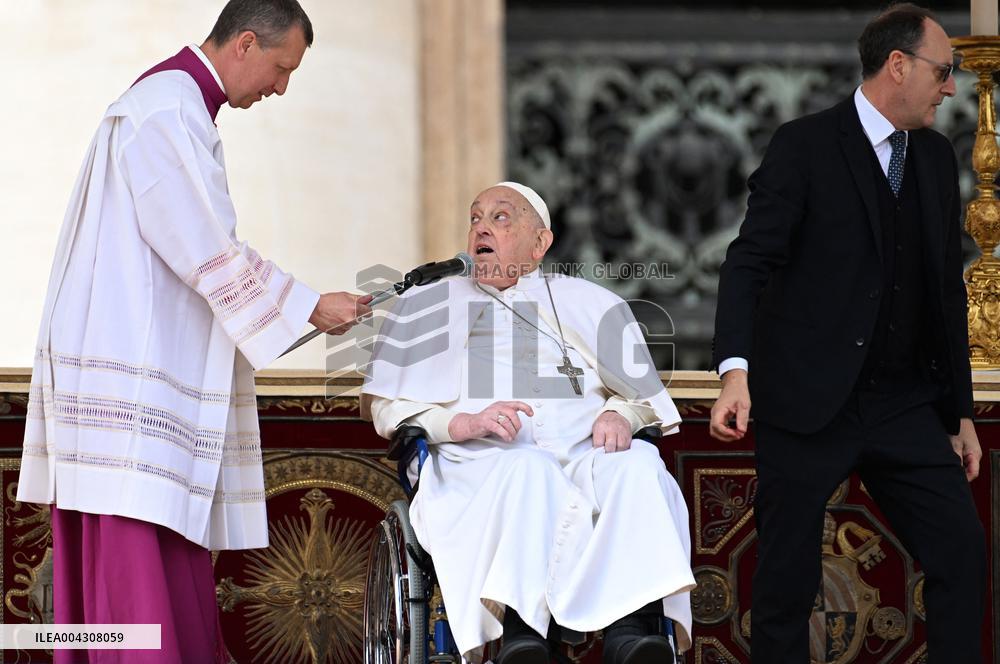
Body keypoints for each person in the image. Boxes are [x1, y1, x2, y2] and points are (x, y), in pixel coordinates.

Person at [16, 1, 371, 661]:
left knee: (143, 584)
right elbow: (208, 250)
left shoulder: (169, 106)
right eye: (280, 68)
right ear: (243, 44)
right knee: (138, 589)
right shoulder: (168, 110)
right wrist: (310, 306)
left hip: (125, 386)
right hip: (132, 397)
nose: (280, 88)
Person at [710, 4, 985, 662]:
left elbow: (946, 290)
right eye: (942, 72)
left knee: (962, 554)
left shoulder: (937, 159)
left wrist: (959, 414)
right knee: (784, 585)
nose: (951, 88)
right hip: (807, 402)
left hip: (905, 405)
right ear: (898, 66)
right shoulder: (804, 145)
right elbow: (749, 262)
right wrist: (734, 372)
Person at [362, 182, 694, 664]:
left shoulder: (588, 301)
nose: (481, 226)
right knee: (528, 471)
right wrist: (457, 423)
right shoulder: (428, 302)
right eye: (475, 217)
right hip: (480, 462)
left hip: (585, 457)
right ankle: (523, 637)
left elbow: (644, 400)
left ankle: (633, 634)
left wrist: (618, 412)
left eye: (501, 217)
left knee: (639, 463)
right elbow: (388, 409)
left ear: (540, 243)